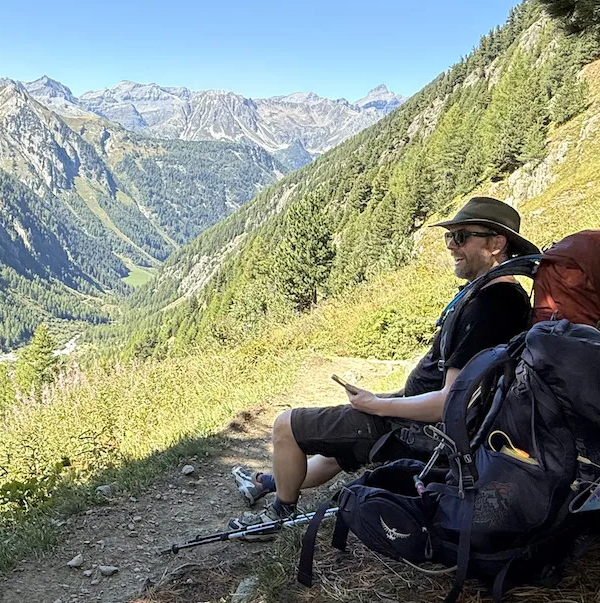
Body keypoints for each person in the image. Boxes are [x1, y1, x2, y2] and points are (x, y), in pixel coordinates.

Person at [230, 196, 539, 529]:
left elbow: (451, 401)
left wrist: (379, 406)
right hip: (425, 425)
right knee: (338, 449)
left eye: (462, 237)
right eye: (449, 236)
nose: (451, 245)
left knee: (285, 426)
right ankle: (269, 482)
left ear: (496, 243)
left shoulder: (490, 307)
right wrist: (390, 399)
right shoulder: (500, 296)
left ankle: (277, 515)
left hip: (422, 433)